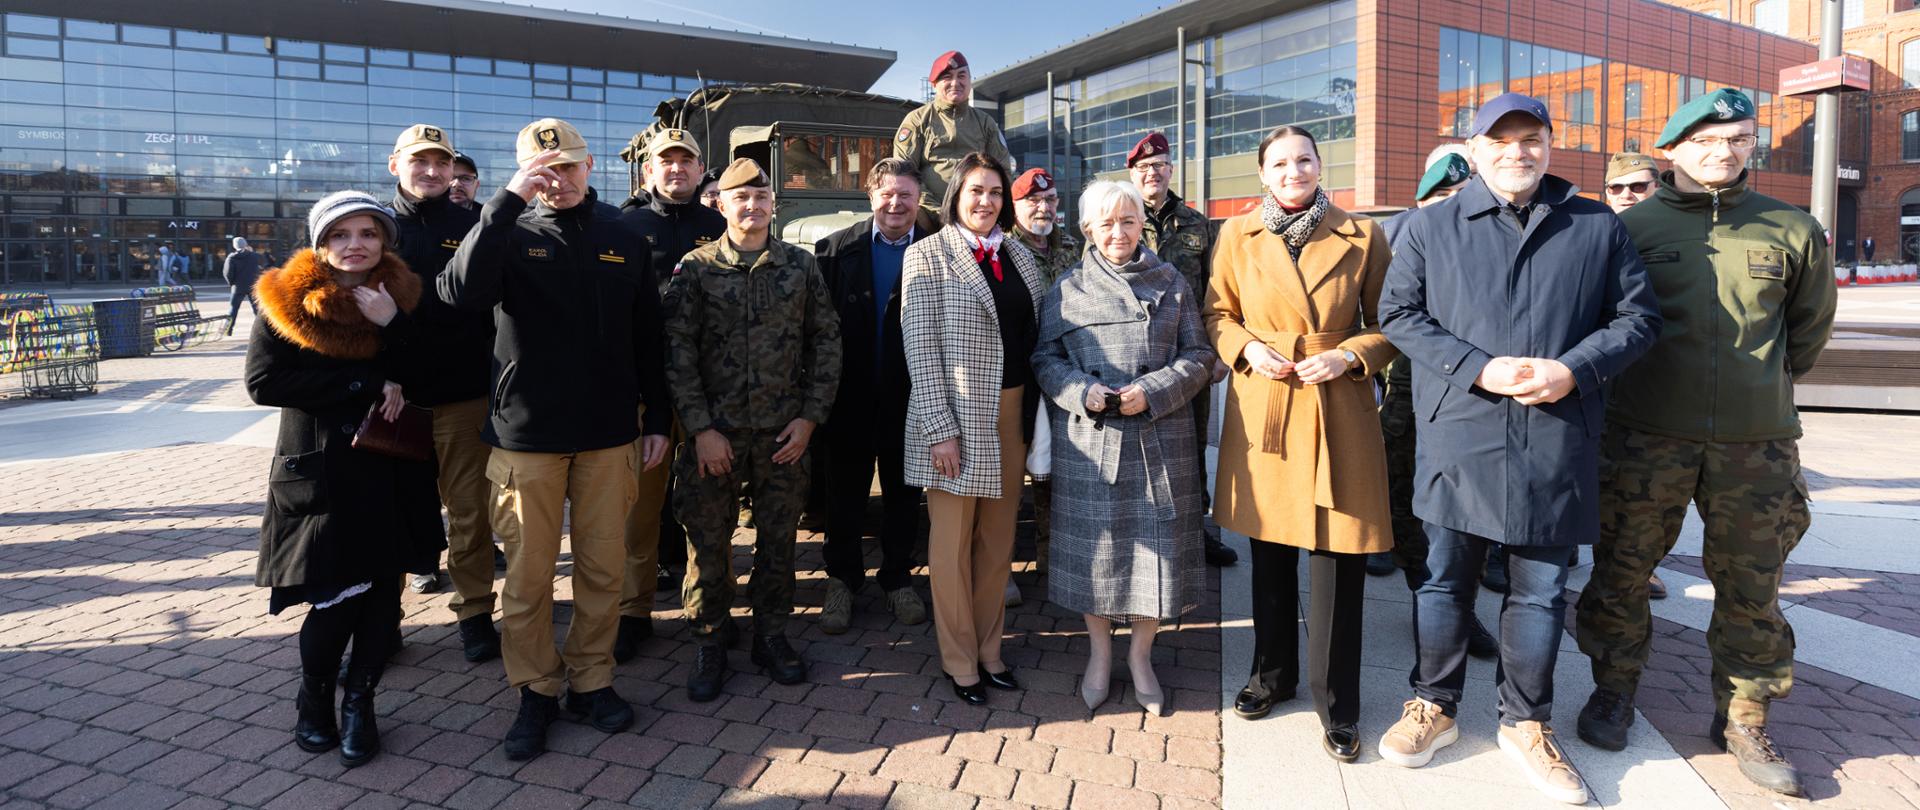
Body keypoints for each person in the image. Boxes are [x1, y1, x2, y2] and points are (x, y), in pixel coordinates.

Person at [1377, 93, 1660, 805]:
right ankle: (1433, 705)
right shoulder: (1429, 225)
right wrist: (1477, 365)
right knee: (1444, 580)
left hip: (1557, 434)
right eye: (1498, 141)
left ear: (1550, 145)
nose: (1516, 152)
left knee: (1538, 591)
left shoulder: (1595, 225)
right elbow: (1398, 314)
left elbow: (1638, 318)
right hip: (1461, 431)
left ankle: (1525, 722)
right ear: (1472, 151)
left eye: (1529, 138)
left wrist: (1576, 368)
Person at [1575, 89, 1836, 797]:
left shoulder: (1790, 228)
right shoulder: (1628, 228)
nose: (1725, 152)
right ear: (1673, 149)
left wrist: (1756, 394)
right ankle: (1613, 689)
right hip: (1645, 436)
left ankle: (1745, 715)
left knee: (1753, 586)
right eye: (1707, 140)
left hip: (1756, 445)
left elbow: (1806, 334)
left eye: (1741, 139)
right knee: (1622, 572)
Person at [438, 118, 672, 761]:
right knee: (529, 577)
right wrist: (507, 201)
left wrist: (657, 421)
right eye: (543, 170)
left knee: (601, 569)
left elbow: (648, 337)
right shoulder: (504, 232)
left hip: (606, 436)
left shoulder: (624, 235)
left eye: (567, 166)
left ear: (590, 165)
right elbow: (458, 294)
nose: (558, 179)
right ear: (522, 173)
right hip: (527, 439)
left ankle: (592, 679)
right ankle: (536, 689)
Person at [1204, 126, 1397, 761]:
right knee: (1270, 553)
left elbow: (1391, 322)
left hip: (1337, 404)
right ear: (1262, 173)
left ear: (1320, 166)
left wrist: (1348, 356)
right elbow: (1217, 314)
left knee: (1339, 559)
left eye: (1304, 160)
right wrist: (1247, 349)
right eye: (1280, 163)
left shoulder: (1363, 234)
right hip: (1269, 400)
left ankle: (1339, 704)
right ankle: (1271, 676)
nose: (1293, 171)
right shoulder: (1236, 234)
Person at [245, 191, 444, 768]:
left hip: (391, 466)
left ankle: (361, 701)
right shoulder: (284, 301)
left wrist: (395, 327)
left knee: (384, 597)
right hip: (324, 471)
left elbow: (430, 374)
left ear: (384, 241)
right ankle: (315, 701)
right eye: (340, 235)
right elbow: (264, 383)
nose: (355, 245)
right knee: (333, 600)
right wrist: (361, 385)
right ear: (320, 242)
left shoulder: (399, 295)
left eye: (368, 234)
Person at [1033, 179, 1213, 718]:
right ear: (1088, 228)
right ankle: (1098, 655)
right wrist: (1082, 392)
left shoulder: (1172, 280)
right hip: (1093, 442)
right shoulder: (1067, 287)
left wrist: (1153, 391)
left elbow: (1200, 356)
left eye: (1128, 221)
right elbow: (1044, 359)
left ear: (1142, 225)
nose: (1119, 232)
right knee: (1099, 557)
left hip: (1160, 437)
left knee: (1152, 561)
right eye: (1106, 223)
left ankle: (1140, 658)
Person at [666, 157, 841, 701]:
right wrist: (699, 429)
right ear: (719, 204)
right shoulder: (694, 268)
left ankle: (771, 634)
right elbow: (677, 354)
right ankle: (711, 639)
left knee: (778, 539)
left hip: (782, 432)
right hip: (716, 434)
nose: (753, 204)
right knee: (709, 541)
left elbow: (827, 342)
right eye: (741, 197)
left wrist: (810, 419)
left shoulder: (800, 266)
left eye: (761, 195)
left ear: (773, 203)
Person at [902, 151, 1045, 706]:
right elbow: (921, 350)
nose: (985, 201)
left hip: (1014, 416)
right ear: (956, 195)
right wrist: (939, 426)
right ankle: (959, 660)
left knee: (997, 543)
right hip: (956, 420)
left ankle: (991, 652)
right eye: (975, 191)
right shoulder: (927, 256)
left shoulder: (1021, 257)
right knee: (951, 543)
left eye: (994, 192)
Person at [1370, 149, 1500, 659]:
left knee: (1466, 507)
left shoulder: (1498, 236)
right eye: (1442, 197)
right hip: (1408, 384)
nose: (1453, 206)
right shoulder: (1397, 234)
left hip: (1475, 391)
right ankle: (1431, 602)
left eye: (1461, 196)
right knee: (1405, 501)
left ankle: (1459, 609)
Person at [385, 124, 500, 658]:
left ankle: (475, 612)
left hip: (462, 394)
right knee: (391, 512)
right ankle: (384, 615)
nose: (432, 172)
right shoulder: (371, 229)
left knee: (471, 512)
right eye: (420, 162)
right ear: (396, 166)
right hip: (390, 401)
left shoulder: (476, 224)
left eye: (441, 162)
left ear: (454, 169)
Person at [615, 127, 727, 663]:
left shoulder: (721, 226)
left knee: (708, 507)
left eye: (687, 160)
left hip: (709, 392)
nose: (677, 169)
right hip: (645, 388)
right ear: (648, 171)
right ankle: (633, 611)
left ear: (701, 169)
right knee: (639, 508)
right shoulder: (624, 226)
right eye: (667, 161)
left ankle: (708, 607)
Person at [814, 157, 933, 635]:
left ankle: (897, 578)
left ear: (919, 199)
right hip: (850, 396)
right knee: (843, 493)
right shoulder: (832, 252)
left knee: (904, 495)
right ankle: (842, 580)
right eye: (887, 193)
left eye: (906, 194)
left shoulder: (937, 251)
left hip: (910, 397)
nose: (896, 203)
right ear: (870, 195)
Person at [1127, 132, 1237, 569]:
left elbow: (1220, 293)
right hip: (1135, 355)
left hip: (1190, 355)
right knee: (1138, 444)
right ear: (1131, 175)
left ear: (1171, 170)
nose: (1152, 173)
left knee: (1191, 443)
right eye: (1143, 168)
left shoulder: (1199, 225)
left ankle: (1196, 529)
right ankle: (1142, 529)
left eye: (1159, 166)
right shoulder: (1119, 218)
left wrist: (1221, 353)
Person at [1005, 167, 1078, 607]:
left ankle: (1054, 561)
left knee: (1057, 475)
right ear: (1015, 206)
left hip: (1064, 374)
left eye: (1049, 200)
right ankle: (1004, 567)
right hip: (1019, 375)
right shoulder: (1004, 250)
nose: (1043, 207)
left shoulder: (1073, 248)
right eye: (1033, 200)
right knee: (1011, 475)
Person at [893, 51, 1013, 214]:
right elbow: (904, 173)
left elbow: (1003, 171)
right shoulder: (917, 120)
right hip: (926, 213)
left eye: (961, 76)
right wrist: (936, 212)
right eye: (947, 77)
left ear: (970, 82)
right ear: (935, 84)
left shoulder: (985, 123)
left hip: (976, 212)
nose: (955, 83)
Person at [222, 236, 263, 335]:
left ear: (234, 246)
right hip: (253, 286)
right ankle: (262, 331)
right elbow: (261, 268)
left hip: (238, 286)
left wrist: (232, 283)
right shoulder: (255, 256)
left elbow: (227, 273)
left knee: (233, 309)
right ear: (245, 244)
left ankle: (228, 330)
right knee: (257, 310)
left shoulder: (231, 257)